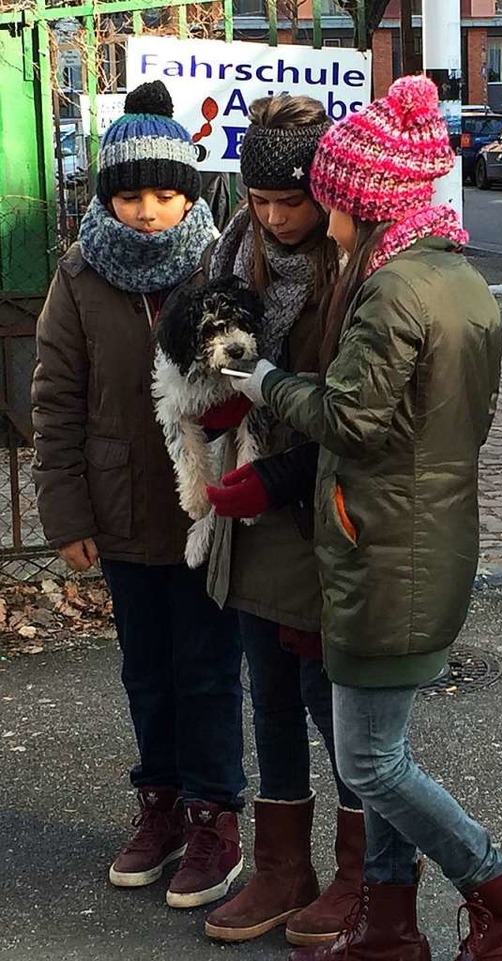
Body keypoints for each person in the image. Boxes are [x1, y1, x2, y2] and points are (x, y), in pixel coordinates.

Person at [224, 75, 502, 961]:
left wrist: (265, 383)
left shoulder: (391, 290)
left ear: (363, 207)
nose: (324, 223)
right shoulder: (454, 276)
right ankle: (386, 924)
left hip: (386, 544)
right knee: (380, 750)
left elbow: (353, 418)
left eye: (332, 206)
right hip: (422, 533)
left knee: (373, 760)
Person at [31, 80, 246, 912]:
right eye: (129, 194)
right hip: (120, 513)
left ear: (188, 191)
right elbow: (56, 397)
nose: (148, 210)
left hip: (210, 510)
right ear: (106, 195)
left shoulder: (218, 261)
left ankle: (214, 814)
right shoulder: (80, 275)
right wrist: (68, 512)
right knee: (146, 672)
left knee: (208, 670)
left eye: (164, 192)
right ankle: (158, 804)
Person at [200, 94, 365, 948]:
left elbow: (358, 418)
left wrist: (279, 477)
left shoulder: (353, 268)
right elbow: (212, 361)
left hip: (323, 516)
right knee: (265, 688)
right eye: (259, 201)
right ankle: (282, 865)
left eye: (289, 202)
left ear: (325, 193)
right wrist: (214, 406)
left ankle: (364, 873)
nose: (272, 218)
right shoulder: (235, 249)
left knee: (331, 700)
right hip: (255, 513)